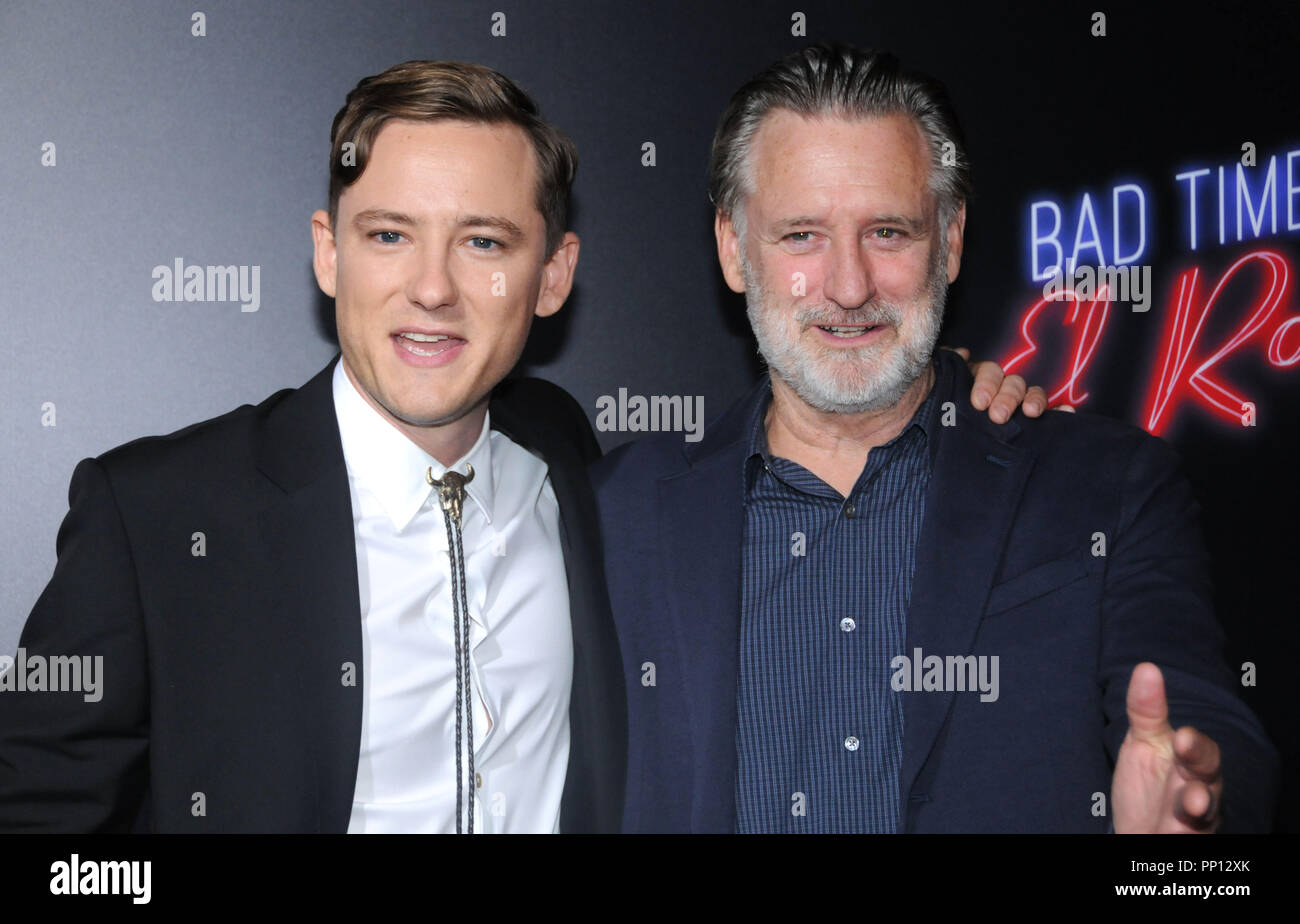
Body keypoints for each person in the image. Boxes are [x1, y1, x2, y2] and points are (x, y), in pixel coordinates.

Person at [0, 58, 1040, 834]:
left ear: (553, 276)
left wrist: (952, 384)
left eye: (485, 242)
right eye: (388, 234)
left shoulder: (581, 472)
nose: (433, 288)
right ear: (328, 253)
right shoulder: (160, 516)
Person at [591, 43, 1280, 833]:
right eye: (801, 236)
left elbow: (1202, 730)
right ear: (733, 248)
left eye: (888, 231)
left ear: (949, 242)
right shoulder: (616, 514)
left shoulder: (1107, 486)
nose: (849, 287)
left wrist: (1195, 827)